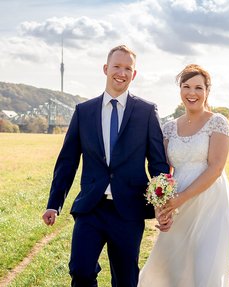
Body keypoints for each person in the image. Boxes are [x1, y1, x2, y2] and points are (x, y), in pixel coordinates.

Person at [42, 44, 170, 287]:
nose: (121, 73)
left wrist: (162, 205)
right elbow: (67, 162)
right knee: (80, 271)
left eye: (127, 68)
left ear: (134, 74)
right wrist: (53, 204)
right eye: (117, 66)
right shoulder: (84, 111)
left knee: (125, 279)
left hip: (129, 210)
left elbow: (158, 163)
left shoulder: (146, 111)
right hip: (91, 207)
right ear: (105, 69)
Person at [138, 64, 229, 287]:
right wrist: (161, 207)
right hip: (177, 207)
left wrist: (180, 198)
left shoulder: (218, 122)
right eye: (186, 86)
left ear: (207, 91)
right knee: (173, 269)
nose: (192, 92)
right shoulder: (169, 128)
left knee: (206, 270)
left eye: (198, 87)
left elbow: (216, 168)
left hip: (212, 205)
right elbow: (162, 171)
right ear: (180, 90)